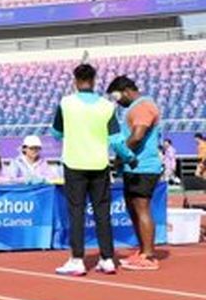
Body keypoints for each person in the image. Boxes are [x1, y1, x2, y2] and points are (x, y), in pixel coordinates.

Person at [51, 63, 121, 276]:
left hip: (74, 163)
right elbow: (116, 139)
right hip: (99, 164)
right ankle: (107, 258)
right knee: (102, 212)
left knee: (76, 212)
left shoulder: (66, 103)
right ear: (94, 80)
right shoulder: (107, 106)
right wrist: (127, 157)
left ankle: (77, 259)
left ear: (75, 80)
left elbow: (56, 132)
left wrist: (72, 134)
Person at [106, 76, 163, 271]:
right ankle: (142, 250)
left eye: (117, 96)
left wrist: (121, 156)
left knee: (141, 208)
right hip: (134, 167)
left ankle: (148, 254)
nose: (118, 102)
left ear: (127, 91)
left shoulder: (142, 106)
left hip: (143, 166)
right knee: (133, 208)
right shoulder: (136, 107)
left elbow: (137, 135)